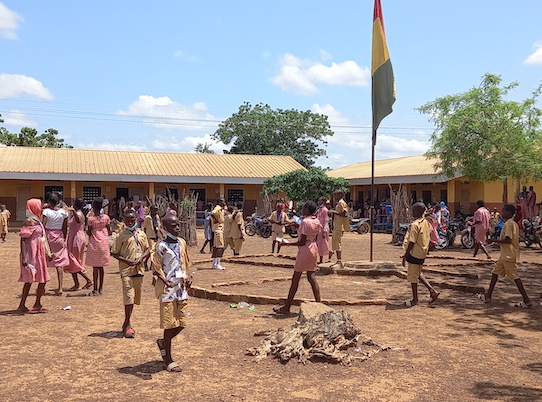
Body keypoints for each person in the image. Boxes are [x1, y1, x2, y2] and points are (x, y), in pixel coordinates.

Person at [152, 214, 192, 372]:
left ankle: (162, 342)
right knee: (169, 325)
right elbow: (156, 267)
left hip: (181, 289)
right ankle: (168, 359)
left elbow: (185, 262)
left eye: (178, 225)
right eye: (173, 226)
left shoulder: (182, 243)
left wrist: (188, 278)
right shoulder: (161, 246)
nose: (177, 228)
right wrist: (163, 279)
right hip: (167, 289)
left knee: (182, 323)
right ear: (165, 228)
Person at [273, 201, 322, 314]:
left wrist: (287, 244)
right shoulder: (316, 221)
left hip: (305, 250)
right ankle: (319, 304)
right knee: (311, 276)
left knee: (295, 279)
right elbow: (312, 234)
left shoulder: (305, 221)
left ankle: (287, 307)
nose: (302, 209)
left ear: (308, 209)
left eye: (304, 207)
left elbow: (302, 242)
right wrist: (298, 226)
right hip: (313, 248)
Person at [483, 204, 532, 307]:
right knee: (494, 273)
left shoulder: (508, 224)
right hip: (505, 255)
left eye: (504, 211)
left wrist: (493, 240)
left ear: (509, 213)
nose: (502, 213)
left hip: (508, 256)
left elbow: (508, 240)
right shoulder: (513, 223)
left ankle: (526, 300)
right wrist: (498, 243)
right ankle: (488, 296)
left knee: (515, 277)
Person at [111, 210, 150, 338]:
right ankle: (128, 324)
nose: (130, 223)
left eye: (132, 220)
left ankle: (126, 322)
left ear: (136, 220)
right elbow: (115, 253)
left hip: (138, 270)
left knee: (134, 297)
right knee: (128, 296)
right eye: (127, 221)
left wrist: (141, 259)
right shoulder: (121, 236)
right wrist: (127, 261)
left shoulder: (141, 234)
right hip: (126, 270)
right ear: (124, 221)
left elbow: (148, 250)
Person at [401, 202, 440, 307]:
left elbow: (412, 241)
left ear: (417, 211)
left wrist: (405, 255)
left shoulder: (415, 225)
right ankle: (432, 291)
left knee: (412, 276)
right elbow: (427, 237)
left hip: (414, 253)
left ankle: (415, 299)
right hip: (422, 253)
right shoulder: (426, 223)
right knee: (418, 273)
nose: (412, 212)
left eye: (413, 210)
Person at [17, 199, 52, 313]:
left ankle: (38, 303)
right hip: (30, 254)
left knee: (43, 279)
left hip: (39, 253)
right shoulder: (29, 222)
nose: (41, 208)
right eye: (39, 206)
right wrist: (24, 258)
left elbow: (43, 238)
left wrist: (48, 253)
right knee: (29, 280)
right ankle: (22, 304)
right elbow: (23, 239)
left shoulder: (38, 221)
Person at [42, 193, 69, 296]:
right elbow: (65, 227)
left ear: (49, 202)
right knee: (59, 263)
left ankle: (43, 286)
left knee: (45, 261)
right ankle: (60, 287)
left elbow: (43, 226)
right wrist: (64, 238)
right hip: (59, 236)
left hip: (49, 236)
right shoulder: (63, 212)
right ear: (58, 202)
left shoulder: (46, 212)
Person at [65, 198, 93, 291]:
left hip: (76, 237)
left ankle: (88, 280)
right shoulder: (77, 213)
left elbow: (78, 221)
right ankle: (76, 283)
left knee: (73, 260)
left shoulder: (79, 214)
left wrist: (74, 212)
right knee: (73, 260)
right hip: (74, 236)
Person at [86, 197, 111, 295]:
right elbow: (109, 230)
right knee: (101, 267)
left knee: (95, 268)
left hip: (94, 242)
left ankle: (95, 288)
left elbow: (88, 232)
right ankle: (101, 288)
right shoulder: (106, 218)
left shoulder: (91, 219)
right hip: (104, 243)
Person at [328, 190, 349, 267]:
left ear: (340, 195)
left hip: (339, 226)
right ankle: (338, 260)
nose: (334, 197)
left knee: (337, 243)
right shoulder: (337, 203)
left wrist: (334, 212)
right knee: (335, 243)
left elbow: (345, 213)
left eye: (335, 195)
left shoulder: (341, 203)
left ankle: (339, 260)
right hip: (335, 225)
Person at [143, 205, 163, 271]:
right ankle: (147, 263)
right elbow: (145, 227)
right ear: (151, 210)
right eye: (155, 210)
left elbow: (159, 226)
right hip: (150, 236)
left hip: (156, 236)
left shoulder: (157, 217)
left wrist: (162, 234)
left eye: (157, 210)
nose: (156, 211)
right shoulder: (147, 218)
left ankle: (150, 264)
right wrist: (145, 236)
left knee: (154, 251)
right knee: (152, 251)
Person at [210, 197, 227, 270]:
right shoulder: (218, 207)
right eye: (223, 201)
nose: (224, 203)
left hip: (218, 229)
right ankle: (218, 264)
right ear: (220, 202)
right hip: (218, 229)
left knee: (216, 247)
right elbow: (212, 213)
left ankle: (214, 263)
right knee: (220, 247)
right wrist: (216, 220)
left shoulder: (221, 208)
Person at [316, 197, 330, 264]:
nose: (318, 202)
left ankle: (321, 259)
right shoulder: (319, 210)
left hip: (323, 228)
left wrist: (324, 230)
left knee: (323, 244)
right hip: (319, 228)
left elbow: (326, 220)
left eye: (320, 200)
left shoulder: (325, 210)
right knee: (319, 243)